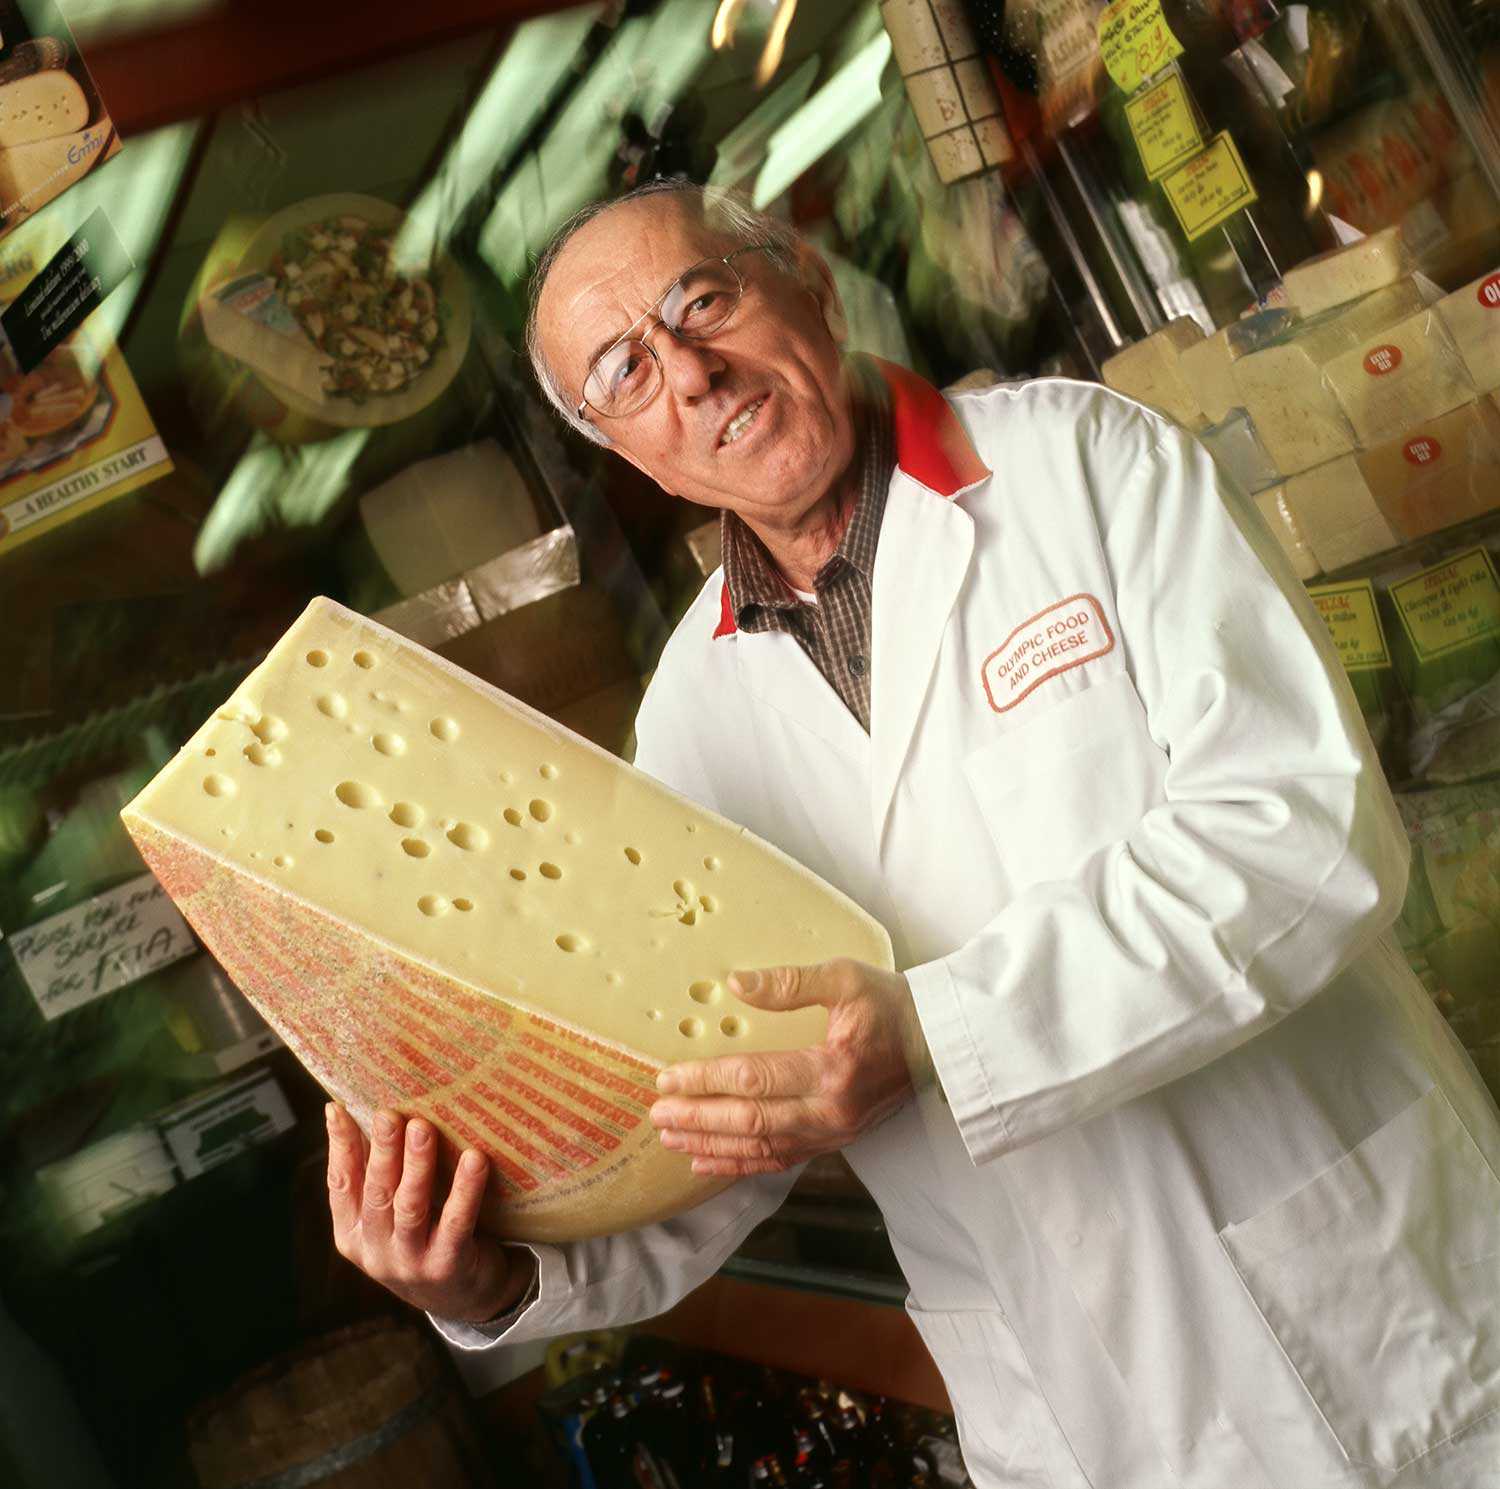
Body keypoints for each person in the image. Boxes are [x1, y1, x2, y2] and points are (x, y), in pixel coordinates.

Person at [324, 181, 1500, 1488]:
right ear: (632, 455)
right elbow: (713, 1117)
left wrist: (938, 1035)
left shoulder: (1083, 463)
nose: (694, 375)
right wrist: (495, 1274)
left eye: (702, 301)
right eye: (628, 370)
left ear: (810, 288)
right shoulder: (693, 731)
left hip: (1381, 1311)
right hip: (1077, 1414)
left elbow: (1303, 830)